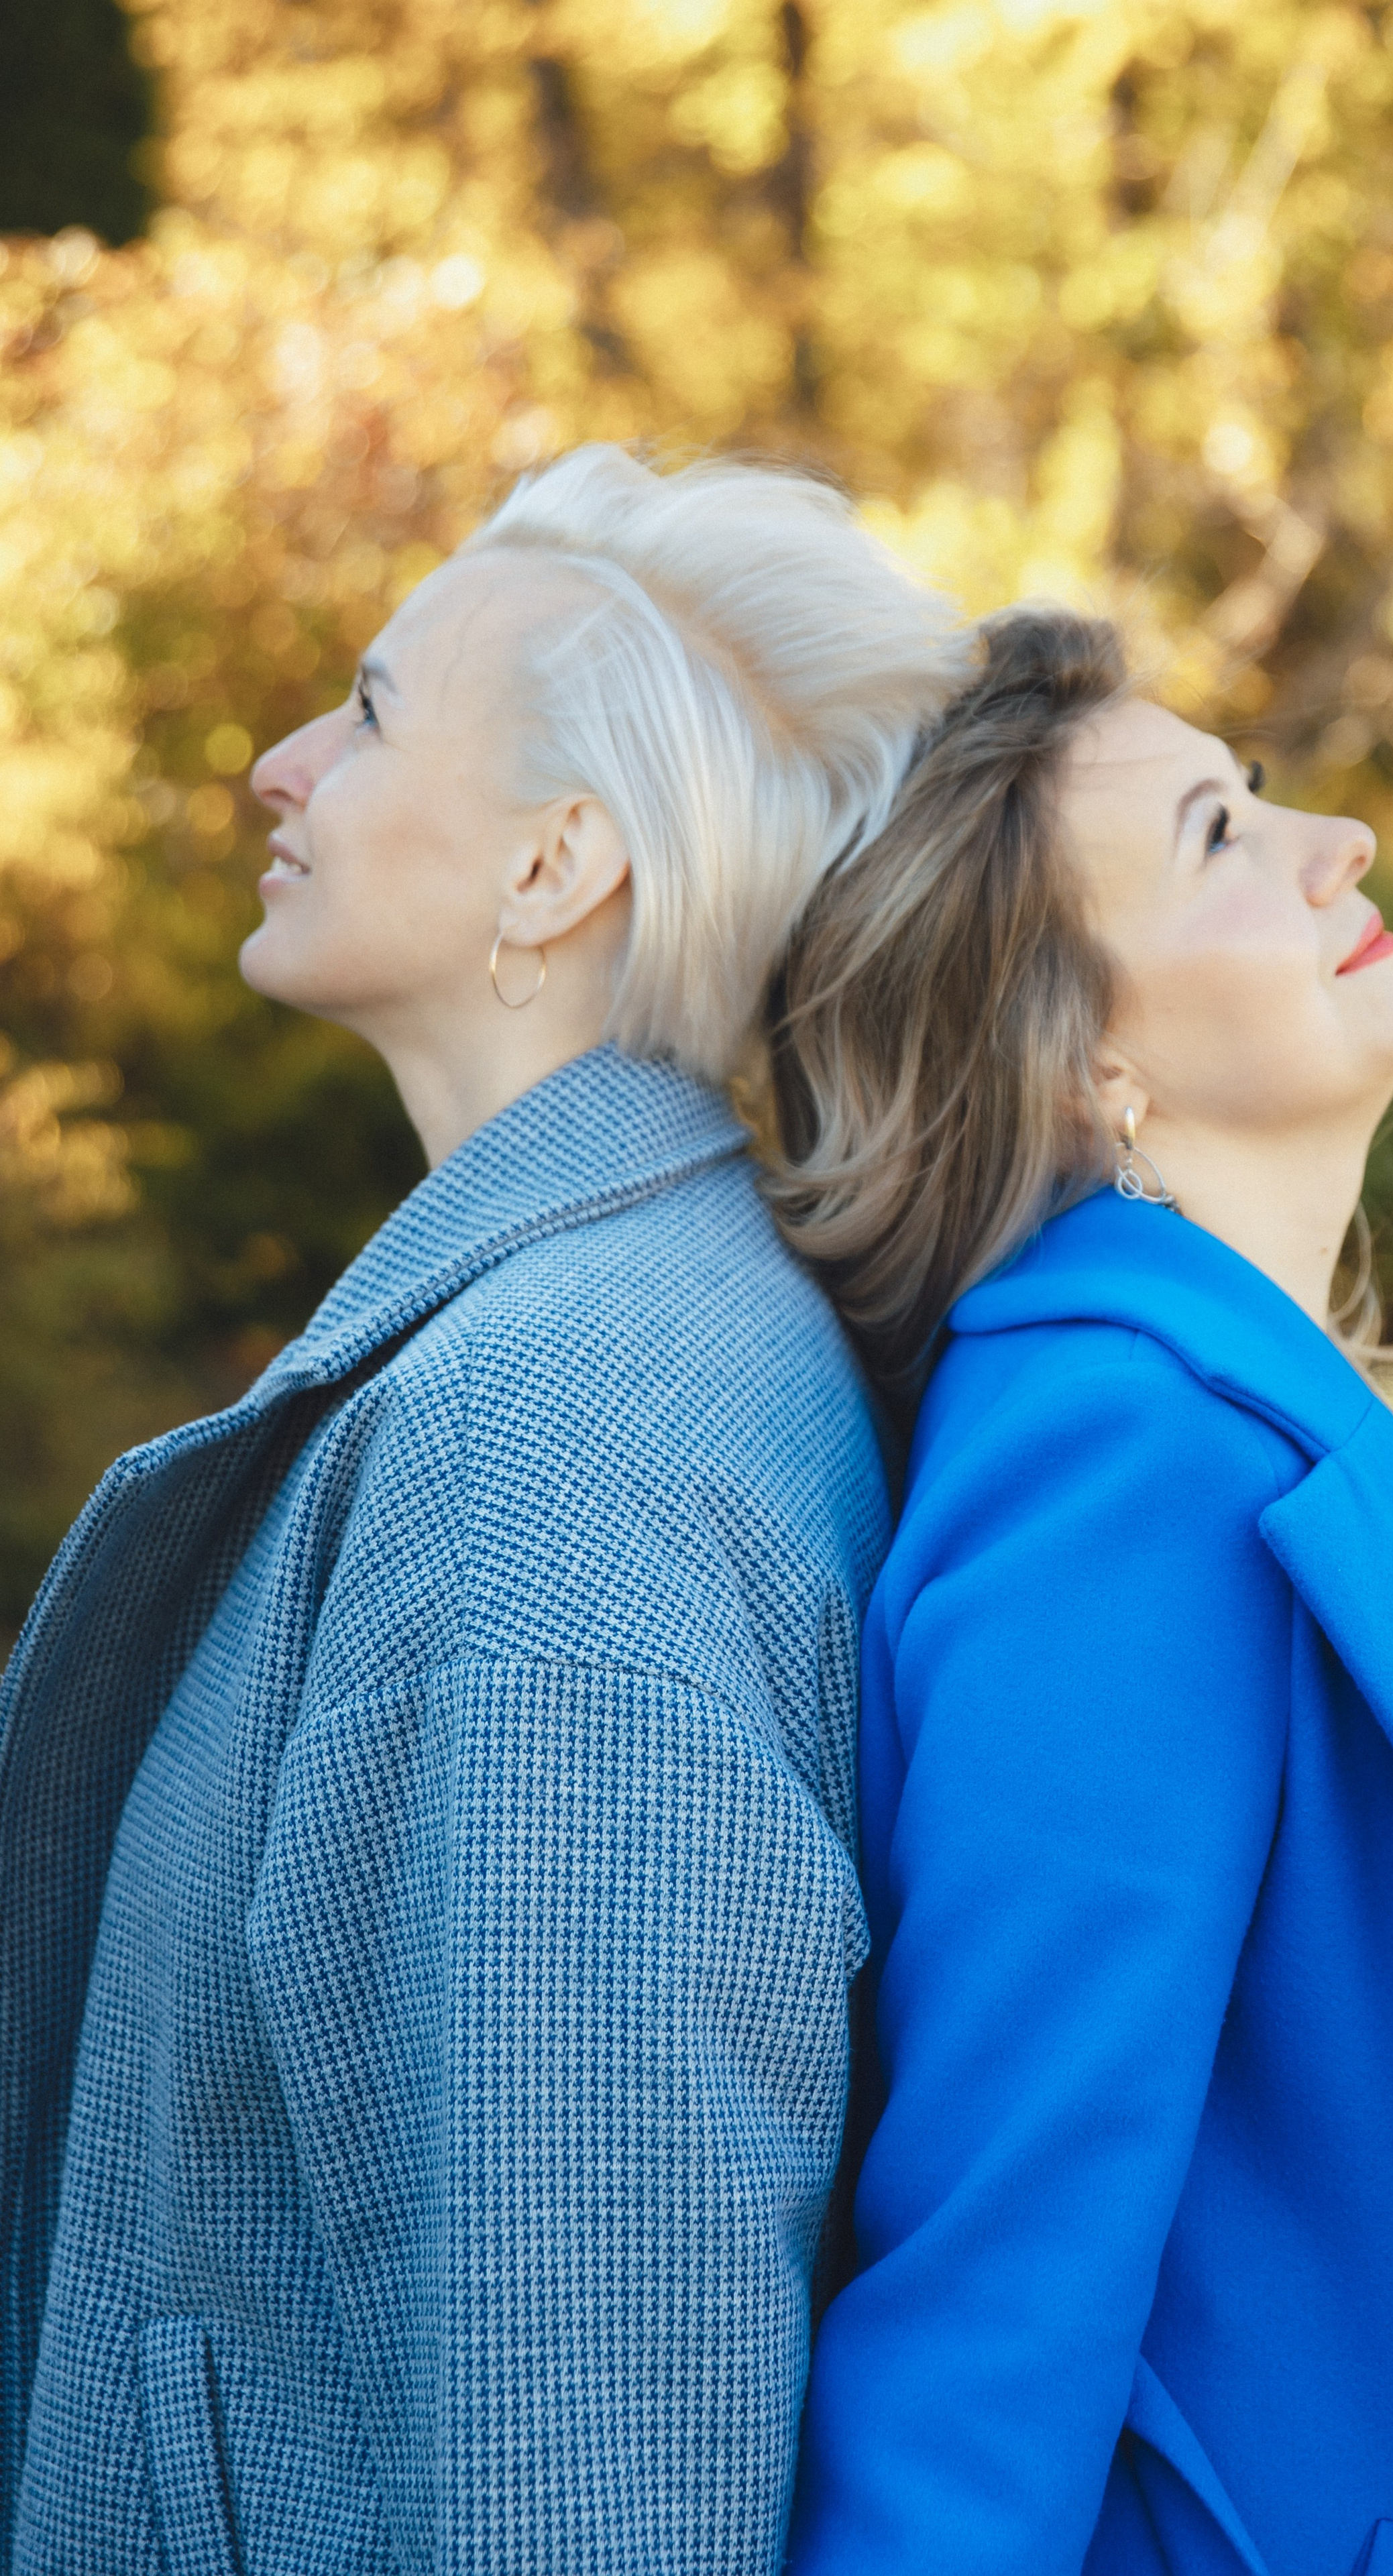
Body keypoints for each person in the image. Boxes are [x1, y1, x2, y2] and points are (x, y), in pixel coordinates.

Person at [0, 445, 967, 2575]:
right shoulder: (579, 1345)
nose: (274, 766)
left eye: (359, 712)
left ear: (558, 866)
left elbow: (596, 2441)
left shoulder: (556, 1441)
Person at [766, 609, 1393, 2575]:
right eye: (1218, 832)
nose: (1336, 838)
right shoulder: (1113, 1453)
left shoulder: (1222, 1399)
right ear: (1076, 1052)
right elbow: (1004, 2272)